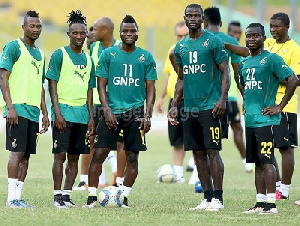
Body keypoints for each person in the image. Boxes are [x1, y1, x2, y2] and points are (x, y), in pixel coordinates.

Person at [83, 14, 157, 208]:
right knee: (98, 154)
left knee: (133, 157)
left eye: (133, 30)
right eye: (125, 30)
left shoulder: (146, 57)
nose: (129, 33)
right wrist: (106, 110)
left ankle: (123, 196)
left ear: (138, 33)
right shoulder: (109, 54)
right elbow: (101, 85)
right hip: (111, 112)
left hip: (136, 113)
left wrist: (147, 115)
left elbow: (151, 88)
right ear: (120, 33)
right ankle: (91, 197)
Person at [168, 3, 230, 211]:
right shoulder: (181, 47)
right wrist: (175, 105)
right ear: (184, 18)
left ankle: (218, 199)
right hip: (190, 108)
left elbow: (225, 72)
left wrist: (222, 99)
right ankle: (207, 197)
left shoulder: (213, 41)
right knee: (197, 153)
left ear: (203, 18)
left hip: (211, 107)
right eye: (189, 15)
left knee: (212, 151)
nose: (193, 18)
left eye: (196, 15)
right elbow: (181, 79)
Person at [239, 23, 298, 214]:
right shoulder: (244, 63)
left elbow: (293, 79)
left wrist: (280, 106)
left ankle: (271, 205)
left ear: (264, 39)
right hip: (251, 121)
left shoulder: (272, 59)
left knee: (267, 161)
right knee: (257, 162)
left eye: (256, 36)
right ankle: (260, 202)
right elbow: (244, 87)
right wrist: (246, 104)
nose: (251, 39)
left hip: (267, 121)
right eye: (248, 36)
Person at [46, 10, 95, 208]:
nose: (79, 36)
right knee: (60, 155)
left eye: (82, 33)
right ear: (68, 34)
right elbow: (52, 84)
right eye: (75, 33)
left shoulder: (89, 59)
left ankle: (67, 195)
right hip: (63, 112)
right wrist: (56, 112)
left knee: (75, 157)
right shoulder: (60, 54)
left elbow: (90, 91)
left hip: (82, 114)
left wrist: (91, 117)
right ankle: (57, 196)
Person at [0, 10, 49, 208]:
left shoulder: (40, 54)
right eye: (32, 26)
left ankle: (19, 197)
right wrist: (10, 107)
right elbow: (3, 77)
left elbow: (40, 86)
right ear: (23, 27)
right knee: (17, 152)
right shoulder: (13, 47)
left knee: (27, 155)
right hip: (17, 109)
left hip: (33, 111)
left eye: (38, 26)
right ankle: (11, 199)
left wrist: (45, 112)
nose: (36, 29)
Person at [203, 7, 253, 173]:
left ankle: (198, 175)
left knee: (204, 135)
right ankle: (247, 162)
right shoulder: (229, 41)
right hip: (227, 97)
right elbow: (237, 73)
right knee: (233, 130)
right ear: (221, 23)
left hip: (203, 98)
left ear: (204, 21)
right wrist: (245, 97)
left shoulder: (198, 39)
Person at [73, 17, 120, 191]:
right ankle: (86, 180)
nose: (90, 34)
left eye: (94, 30)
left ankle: (119, 179)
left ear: (106, 31)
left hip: (115, 104)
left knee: (117, 143)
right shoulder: (94, 48)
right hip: (95, 103)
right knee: (90, 140)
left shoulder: (120, 47)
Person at [265, 13, 300, 201]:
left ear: (286, 26)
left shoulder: (294, 49)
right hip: (265, 105)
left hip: (284, 106)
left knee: (285, 148)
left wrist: (276, 76)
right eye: (271, 26)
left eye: (276, 26)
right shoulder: (268, 45)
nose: (272, 29)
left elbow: (297, 79)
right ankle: (276, 184)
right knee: (265, 146)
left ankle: (284, 190)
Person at [156, 21, 189, 183]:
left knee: (194, 140)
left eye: (185, 35)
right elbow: (169, 76)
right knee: (177, 140)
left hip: (191, 101)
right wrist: (161, 97)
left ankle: (197, 175)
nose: (182, 38)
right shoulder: (172, 50)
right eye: (179, 35)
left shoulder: (194, 50)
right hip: (174, 102)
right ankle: (178, 175)